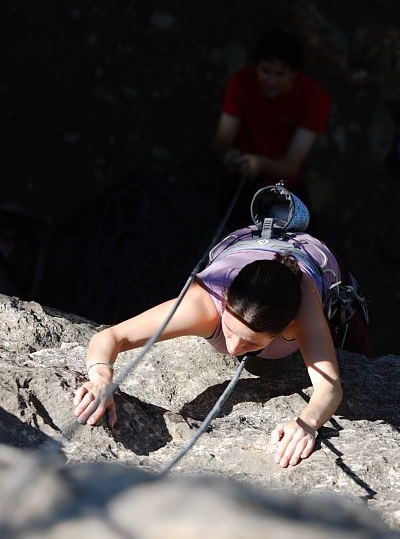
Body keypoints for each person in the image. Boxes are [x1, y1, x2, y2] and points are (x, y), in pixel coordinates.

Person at [74, 187, 370, 469]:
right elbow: (111, 336)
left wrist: (306, 424)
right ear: (225, 302)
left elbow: (329, 388)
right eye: (229, 331)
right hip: (245, 248)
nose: (232, 349)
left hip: (316, 258)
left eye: (251, 344)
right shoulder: (203, 304)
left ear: (288, 326)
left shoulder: (304, 308)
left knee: (356, 344)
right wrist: (101, 378)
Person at [214, 29, 332, 186]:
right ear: (256, 66)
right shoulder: (241, 83)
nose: (270, 82)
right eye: (265, 71)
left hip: (282, 183)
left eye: (279, 74)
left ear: (294, 73)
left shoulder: (315, 98)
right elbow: (223, 140)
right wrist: (227, 156)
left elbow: (292, 164)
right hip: (239, 173)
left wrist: (261, 164)